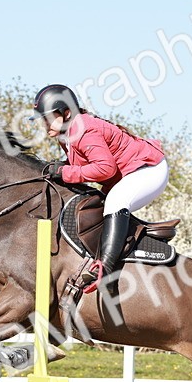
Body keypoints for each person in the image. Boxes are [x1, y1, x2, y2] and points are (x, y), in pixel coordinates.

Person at [31, 84, 168, 291]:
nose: (44, 123)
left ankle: (106, 270)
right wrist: (62, 168)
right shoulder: (67, 132)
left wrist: (66, 173)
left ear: (66, 112)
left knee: (115, 202)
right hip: (129, 173)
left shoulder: (83, 130)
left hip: (149, 170)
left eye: (48, 117)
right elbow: (85, 166)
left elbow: (105, 169)